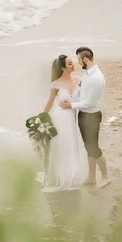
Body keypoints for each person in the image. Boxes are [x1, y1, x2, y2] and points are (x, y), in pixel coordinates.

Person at [60, 47, 110, 189]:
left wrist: (71, 105)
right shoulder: (88, 73)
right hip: (84, 115)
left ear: (85, 60)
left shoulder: (96, 77)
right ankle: (92, 177)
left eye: (79, 60)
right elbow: (86, 90)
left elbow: (89, 103)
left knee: (93, 148)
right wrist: (79, 84)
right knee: (89, 148)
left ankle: (105, 177)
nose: (78, 62)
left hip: (91, 116)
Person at [41, 54, 88, 192]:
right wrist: (42, 116)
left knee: (72, 144)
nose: (73, 64)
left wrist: (73, 104)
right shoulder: (55, 84)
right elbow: (50, 101)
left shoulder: (79, 80)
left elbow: (85, 98)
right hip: (59, 119)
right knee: (63, 146)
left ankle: (72, 174)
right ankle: (63, 176)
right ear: (63, 68)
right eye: (69, 64)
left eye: (72, 62)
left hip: (72, 118)